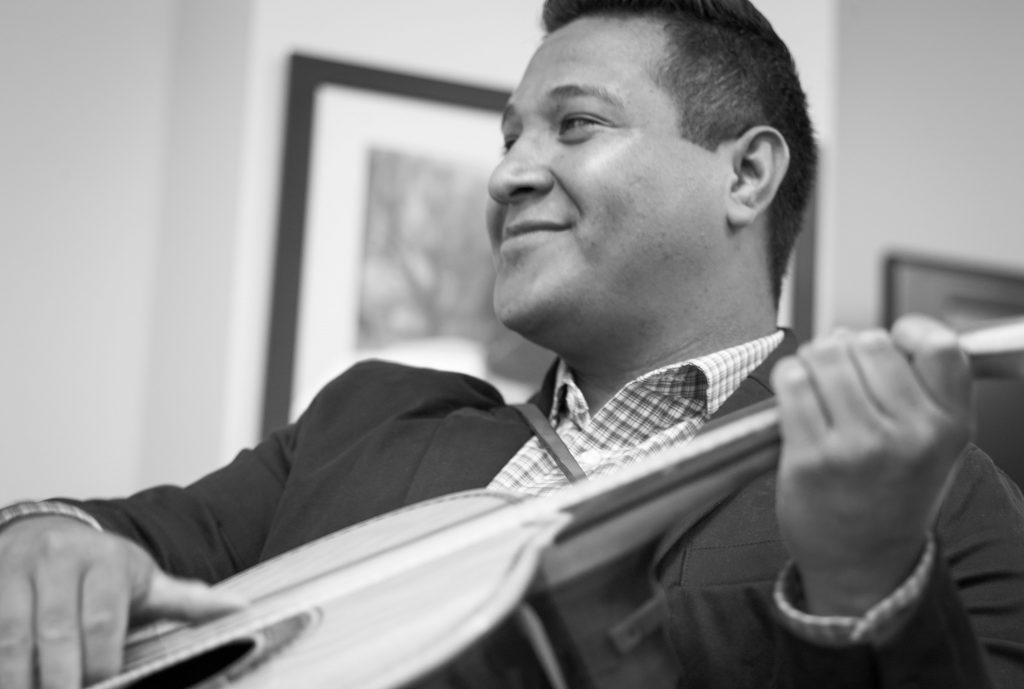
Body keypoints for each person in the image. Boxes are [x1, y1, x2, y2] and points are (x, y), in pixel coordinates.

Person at [2, 0, 1023, 687]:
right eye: (508, 137)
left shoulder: (934, 489)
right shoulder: (364, 415)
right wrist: (42, 541)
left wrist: (869, 578)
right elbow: (114, 535)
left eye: (574, 127)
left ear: (746, 176)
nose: (507, 175)